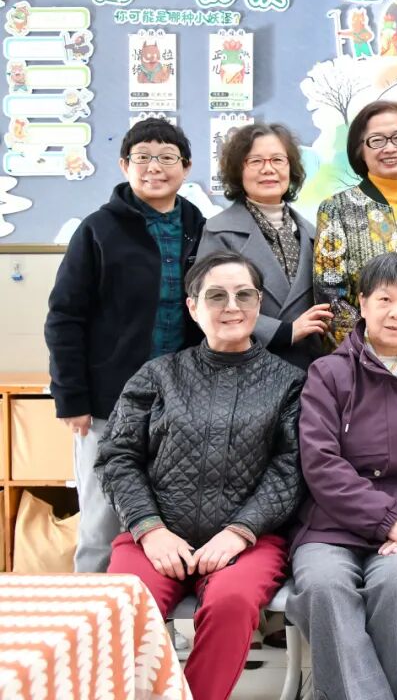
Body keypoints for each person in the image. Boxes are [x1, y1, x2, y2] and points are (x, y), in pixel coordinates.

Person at [96, 251, 306, 700]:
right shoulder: (158, 375)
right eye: (216, 296)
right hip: (156, 535)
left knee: (232, 602)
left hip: (248, 540)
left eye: (244, 295)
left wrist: (240, 531)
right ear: (192, 307)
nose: (232, 306)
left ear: (259, 303)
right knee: (124, 604)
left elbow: (290, 467)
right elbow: (117, 457)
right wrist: (150, 529)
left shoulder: (289, 382)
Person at [288, 253, 397, 700]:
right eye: (384, 299)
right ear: (362, 303)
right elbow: (321, 463)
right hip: (330, 526)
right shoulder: (328, 373)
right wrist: (386, 519)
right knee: (323, 586)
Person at [45, 118, 206, 573]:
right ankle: (92, 611)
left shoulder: (199, 228)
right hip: (108, 401)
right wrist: (71, 398)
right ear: (124, 165)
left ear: (186, 167)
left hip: (179, 401)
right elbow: (64, 317)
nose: (155, 167)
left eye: (167, 157)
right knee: (101, 520)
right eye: (143, 157)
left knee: (167, 519)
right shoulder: (98, 230)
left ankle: (152, 614)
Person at [313, 100, 397, 348]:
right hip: (360, 360)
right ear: (360, 150)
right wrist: (379, 354)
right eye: (377, 140)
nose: (390, 148)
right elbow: (331, 297)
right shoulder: (336, 208)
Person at [198, 122, 331, 369]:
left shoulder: (314, 234)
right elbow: (210, 303)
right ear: (238, 171)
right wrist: (284, 332)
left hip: (308, 371)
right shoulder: (219, 232)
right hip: (245, 368)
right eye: (255, 161)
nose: (268, 169)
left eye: (278, 160)